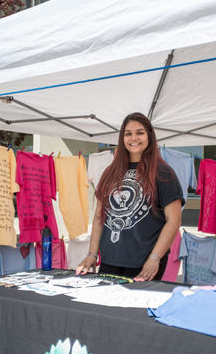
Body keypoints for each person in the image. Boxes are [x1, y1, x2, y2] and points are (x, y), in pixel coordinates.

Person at [76, 113, 183, 281]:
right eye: (128, 133)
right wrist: (92, 254)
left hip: (144, 262)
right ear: (122, 138)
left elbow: (174, 220)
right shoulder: (110, 172)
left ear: (149, 135)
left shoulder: (163, 173)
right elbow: (98, 216)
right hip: (110, 259)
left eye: (140, 132)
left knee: (137, 307)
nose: (134, 138)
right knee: (106, 306)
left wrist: (155, 258)